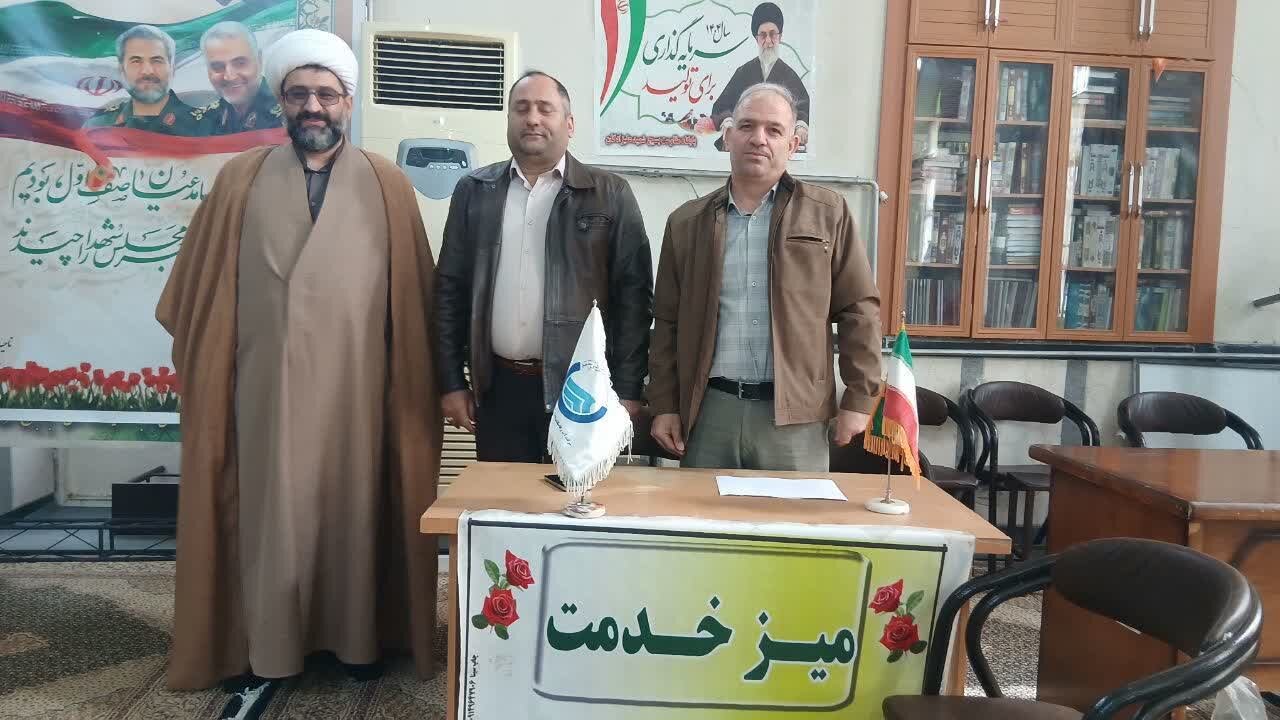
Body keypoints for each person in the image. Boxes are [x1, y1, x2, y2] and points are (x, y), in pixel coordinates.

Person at [154, 28, 442, 717]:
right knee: (269, 518)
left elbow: (417, 307)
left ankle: (358, 640)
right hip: (262, 397)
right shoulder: (240, 179)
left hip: (360, 397)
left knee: (357, 511)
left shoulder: (388, 183)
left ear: (348, 102)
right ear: (281, 102)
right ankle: (269, 649)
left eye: (326, 94)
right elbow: (194, 295)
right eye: (298, 94)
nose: (313, 106)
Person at [648, 83, 881, 472]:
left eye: (774, 130)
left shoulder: (828, 213)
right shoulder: (687, 223)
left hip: (795, 419)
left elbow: (859, 309)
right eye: (747, 126)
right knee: (703, 513)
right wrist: (664, 404)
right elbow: (666, 322)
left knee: (793, 515)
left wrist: (860, 397)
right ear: (727, 137)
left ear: (793, 144)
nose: (759, 138)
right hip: (709, 413)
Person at [435, 70, 653, 463]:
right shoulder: (475, 191)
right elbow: (449, 291)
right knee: (502, 498)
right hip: (497, 389)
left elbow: (635, 301)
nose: (532, 118)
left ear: (569, 124)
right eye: (521, 109)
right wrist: (451, 382)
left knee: (573, 497)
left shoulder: (609, 194)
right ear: (508, 120)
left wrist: (628, 390)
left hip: (583, 391)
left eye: (544, 109)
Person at [710, 3, 811, 151]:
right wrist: (728, 122)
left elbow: (803, 108)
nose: (768, 41)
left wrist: (801, 126)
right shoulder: (743, 72)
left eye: (772, 34)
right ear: (756, 39)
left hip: (775, 146)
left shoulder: (789, 75)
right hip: (745, 144)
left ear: (780, 37)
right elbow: (721, 106)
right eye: (763, 35)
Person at [84, 25, 198, 135]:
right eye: (136, 61)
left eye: (157, 60)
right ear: (121, 70)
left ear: (172, 69)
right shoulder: (96, 126)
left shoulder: (203, 127)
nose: (147, 71)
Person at [192, 21, 283, 134]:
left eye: (240, 63)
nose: (229, 76)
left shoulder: (287, 115)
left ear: (259, 60)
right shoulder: (206, 119)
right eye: (217, 66)